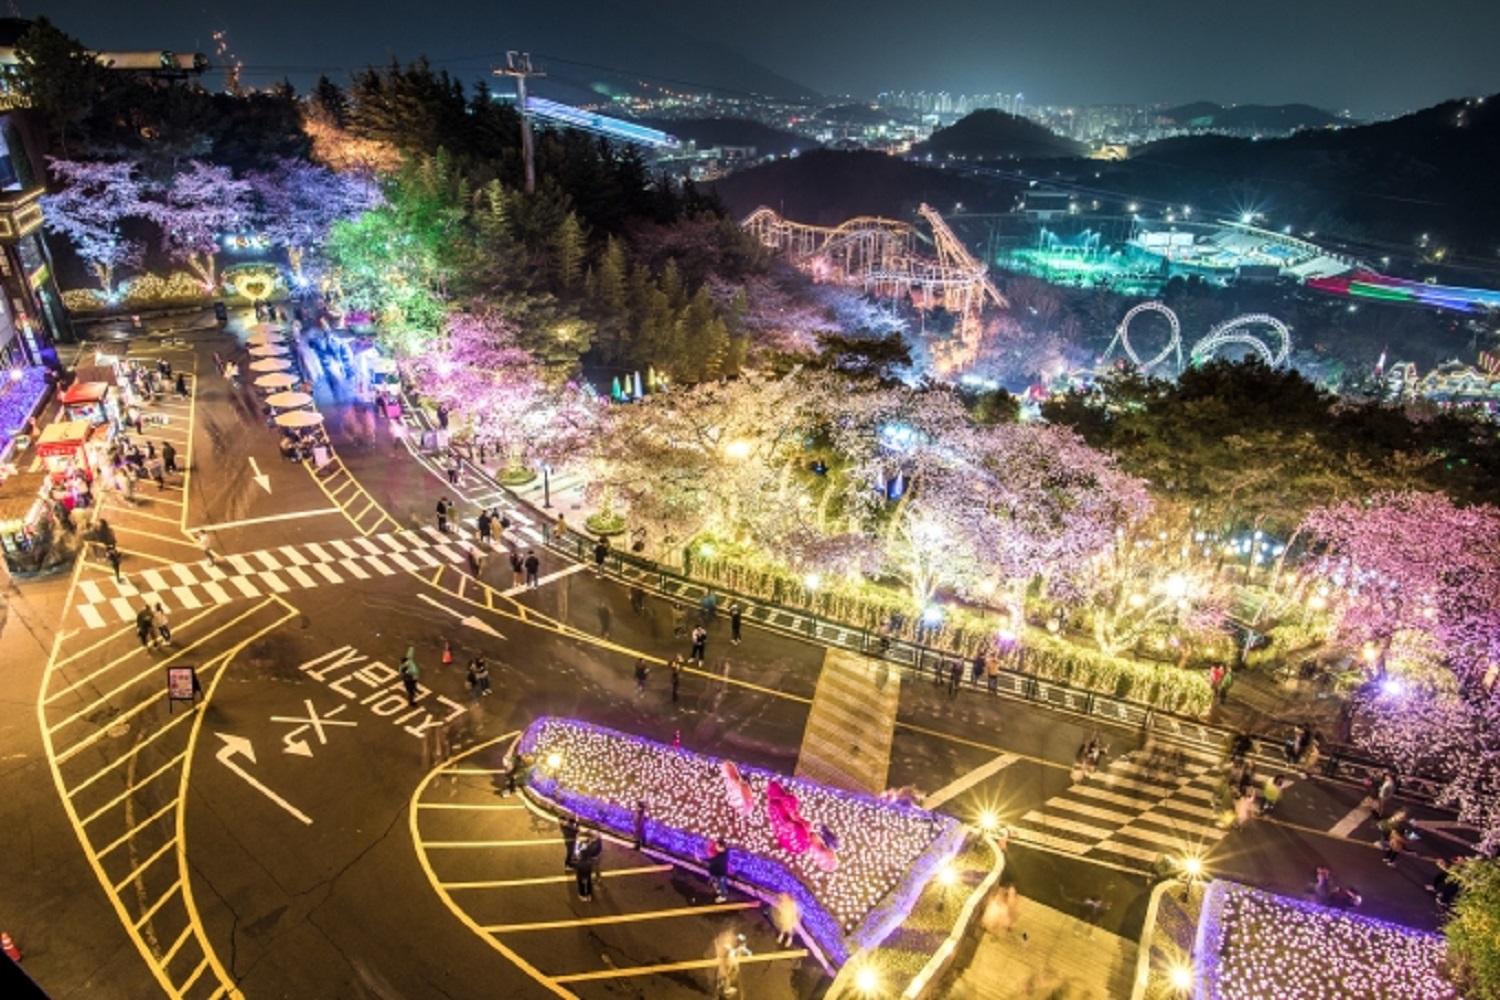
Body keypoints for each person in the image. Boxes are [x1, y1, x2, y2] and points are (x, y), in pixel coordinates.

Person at [575, 831, 602, 901]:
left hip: (581, 865)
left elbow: (576, 853)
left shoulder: (580, 848)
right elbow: (596, 850)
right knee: (588, 879)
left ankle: (582, 894)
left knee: (581, 880)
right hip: (588, 864)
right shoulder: (590, 847)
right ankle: (589, 894)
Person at [705, 837, 731, 902]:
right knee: (719, 883)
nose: (715, 847)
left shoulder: (720, 857)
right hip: (718, 873)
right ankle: (721, 891)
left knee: (721, 884)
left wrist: (703, 860)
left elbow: (713, 861)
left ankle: (723, 896)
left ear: (722, 848)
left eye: (717, 846)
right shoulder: (723, 853)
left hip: (720, 873)